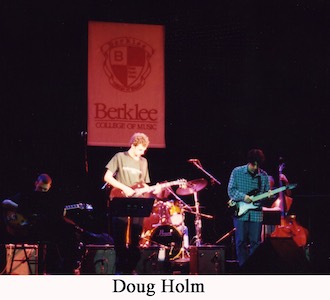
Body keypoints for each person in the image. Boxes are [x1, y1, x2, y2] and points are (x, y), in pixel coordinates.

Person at [103, 132, 161, 274]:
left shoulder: (143, 162)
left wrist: (155, 189)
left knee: (136, 235)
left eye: (144, 150)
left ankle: (131, 269)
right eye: (140, 149)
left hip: (137, 201)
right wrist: (125, 188)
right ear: (133, 145)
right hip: (120, 198)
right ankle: (120, 269)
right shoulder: (119, 157)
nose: (142, 152)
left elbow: (143, 185)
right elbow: (107, 177)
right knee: (120, 236)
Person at [1, 173, 80, 274]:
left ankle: (63, 269)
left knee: (67, 229)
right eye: (40, 188)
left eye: (44, 190)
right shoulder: (26, 196)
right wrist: (23, 210)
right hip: (26, 230)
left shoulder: (50, 201)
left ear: (49, 187)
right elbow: (5, 202)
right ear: (36, 183)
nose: (42, 192)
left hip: (42, 230)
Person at [227, 149, 270, 267]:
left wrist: (269, 195)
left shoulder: (264, 176)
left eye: (257, 165)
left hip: (256, 214)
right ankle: (243, 268)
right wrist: (243, 197)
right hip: (241, 212)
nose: (255, 168)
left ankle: (254, 268)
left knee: (255, 242)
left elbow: (265, 195)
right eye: (253, 164)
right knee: (240, 241)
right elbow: (231, 191)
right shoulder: (237, 172)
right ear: (249, 162)